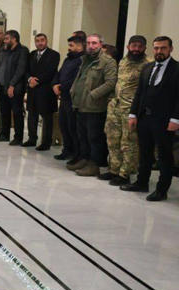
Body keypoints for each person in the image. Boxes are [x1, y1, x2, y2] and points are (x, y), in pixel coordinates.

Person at [121, 36, 179, 201]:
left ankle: (162, 189)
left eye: (163, 48)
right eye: (156, 48)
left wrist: (176, 119)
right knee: (145, 153)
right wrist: (133, 114)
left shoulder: (176, 69)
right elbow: (139, 93)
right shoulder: (147, 68)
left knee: (164, 156)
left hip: (165, 120)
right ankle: (142, 182)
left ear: (170, 49)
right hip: (144, 118)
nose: (159, 51)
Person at [103, 35, 150, 186]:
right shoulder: (123, 61)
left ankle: (125, 174)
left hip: (131, 109)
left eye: (139, 46)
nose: (136, 49)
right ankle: (114, 170)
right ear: (128, 47)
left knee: (129, 142)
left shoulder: (148, 65)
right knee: (112, 139)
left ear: (144, 48)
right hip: (115, 106)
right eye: (133, 46)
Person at [68, 34, 117, 177]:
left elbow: (111, 82)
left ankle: (94, 165)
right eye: (89, 43)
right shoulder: (84, 59)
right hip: (80, 104)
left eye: (94, 43)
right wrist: (73, 89)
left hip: (95, 106)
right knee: (82, 136)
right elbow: (80, 78)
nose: (91, 46)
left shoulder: (108, 62)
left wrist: (94, 94)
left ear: (101, 45)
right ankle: (84, 159)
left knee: (94, 138)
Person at [0, 30, 29, 145]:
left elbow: (20, 69)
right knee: (4, 112)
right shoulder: (5, 51)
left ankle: (18, 138)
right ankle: (5, 134)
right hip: (2, 87)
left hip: (15, 88)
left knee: (17, 113)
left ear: (14, 39)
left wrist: (12, 85)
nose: (5, 40)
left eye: (7, 38)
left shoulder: (22, 51)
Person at [53, 35, 85, 163]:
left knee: (73, 127)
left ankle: (76, 154)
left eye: (71, 45)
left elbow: (77, 79)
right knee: (64, 125)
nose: (69, 48)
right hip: (64, 98)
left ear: (79, 46)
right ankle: (67, 150)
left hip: (74, 98)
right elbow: (59, 73)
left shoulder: (82, 60)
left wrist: (61, 87)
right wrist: (55, 84)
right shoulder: (68, 59)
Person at [25, 33, 60, 150]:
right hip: (32, 90)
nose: (40, 43)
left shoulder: (54, 55)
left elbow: (50, 71)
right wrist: (30, 78)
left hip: (45, 91)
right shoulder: (31, 54)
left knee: (47, 117)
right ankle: (32, 138)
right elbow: (26, 70)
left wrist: (37, 80)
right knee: (32, 115)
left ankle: (46, 142)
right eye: (37, 40)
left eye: (42, 40)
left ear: (46, 41)